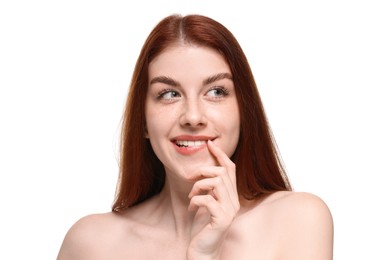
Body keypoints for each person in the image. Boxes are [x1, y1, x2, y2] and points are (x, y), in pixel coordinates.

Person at [57, 14, 333, 260]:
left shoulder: (298, 221)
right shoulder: (91, 244)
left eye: (215, 92)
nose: (192, 116)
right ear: (142, 121)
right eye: (169, 94)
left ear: (244, 112)